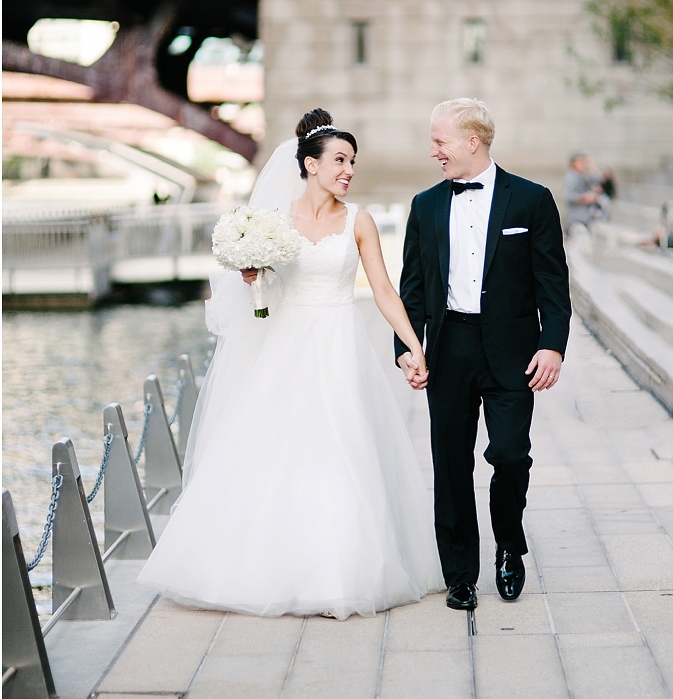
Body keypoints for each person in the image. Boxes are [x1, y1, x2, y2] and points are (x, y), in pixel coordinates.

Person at [138, 109, 444, 620]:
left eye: (353, 161)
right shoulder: (273, 222)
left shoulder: (359, 220)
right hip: (286, 344)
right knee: (278, 448)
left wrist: (414, 345)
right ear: (310, 164)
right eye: (340, 160)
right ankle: (264, 565)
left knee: (341, 447)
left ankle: (339, 569)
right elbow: (260, 293)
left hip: (339, 343)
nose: (349, 170)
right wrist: (252, 276)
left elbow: (384, 291)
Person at [395, 99, 571, 611]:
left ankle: (510, 545)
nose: (434, 151)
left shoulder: (531, 200)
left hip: (514, 352)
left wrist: (553, 345)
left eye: (440, 141)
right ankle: (459, 574)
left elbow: (553, 283)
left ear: (472, 141)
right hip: (448, 348)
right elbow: (412, 289)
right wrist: (407, 348)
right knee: (450, 462)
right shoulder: (425, 206)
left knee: (511, 455)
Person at [564, 153, 607, 230]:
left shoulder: (583, 176)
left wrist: (591, 166)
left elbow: (599, 179)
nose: (582, 164)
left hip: (585, 217)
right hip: (576, 218)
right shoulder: (571, 177)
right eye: (580, 162)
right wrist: (586, 197)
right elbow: (569, 196)